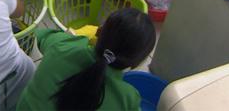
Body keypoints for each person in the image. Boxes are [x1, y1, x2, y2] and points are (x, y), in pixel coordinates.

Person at [16, 8, 156, 110]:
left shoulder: (63, 46)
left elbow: (39, 35)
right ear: (136, 62)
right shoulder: (127, 98)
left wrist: (75, 36)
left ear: (98, 31)